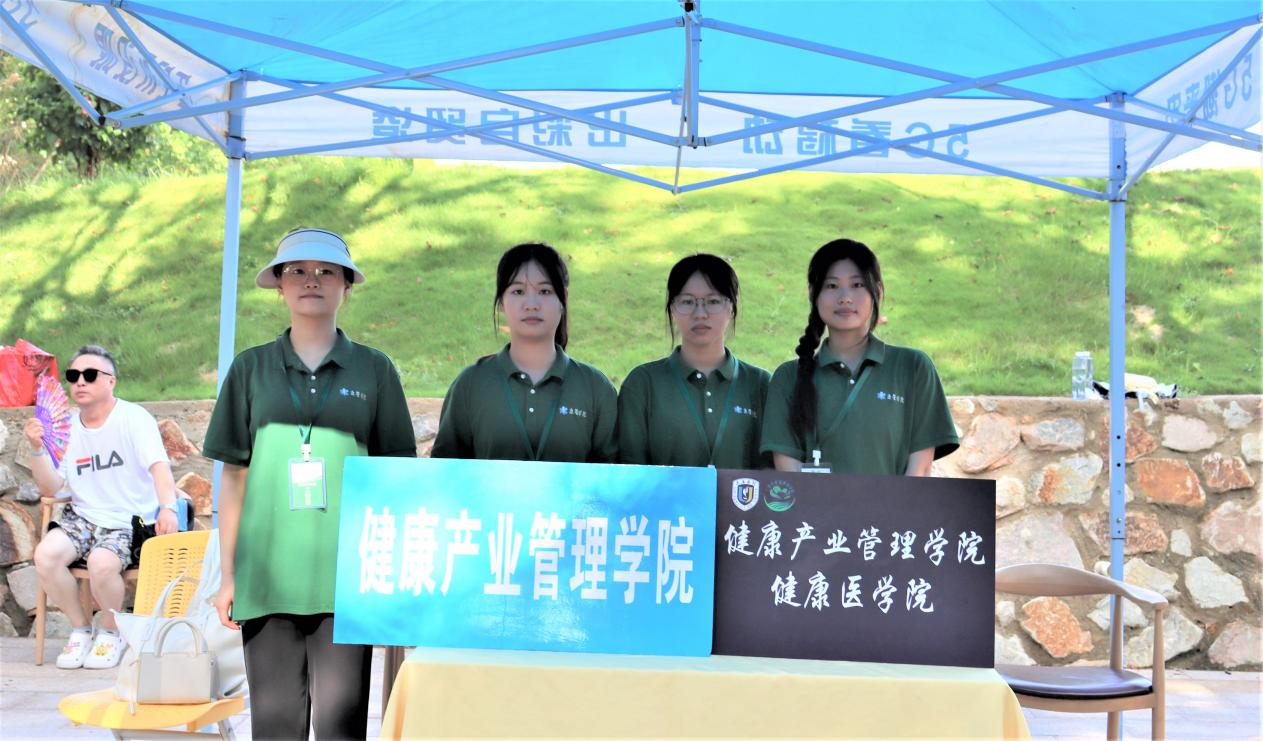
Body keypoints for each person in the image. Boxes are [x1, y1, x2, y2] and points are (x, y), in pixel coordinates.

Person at [202, 228, 416, 740]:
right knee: (275, 725)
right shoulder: (250, 368)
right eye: (297, 271)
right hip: (266, 578)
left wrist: (391, 576)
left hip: (348, 576)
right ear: (279, 285)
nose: (311, 280)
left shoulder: (375, 370)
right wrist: (229, 576)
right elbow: (234, 477)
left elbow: (394, 479)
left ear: (347, 285)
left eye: (326, 271)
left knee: (341, 724)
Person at [26, 345, 179, 670]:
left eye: (90, 374)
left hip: (129, 521)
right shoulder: (67, 427)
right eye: (73, 375)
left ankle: (111, 631)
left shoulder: (133, 418)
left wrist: (168, 508)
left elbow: (159, 468)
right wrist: (37, 449)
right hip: (82, 517)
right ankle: (81, 629)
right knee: (45, 556)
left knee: (101, 563)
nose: (80, 381)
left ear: (111, 381)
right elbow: (51, 488)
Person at [761, 238, 959, 476]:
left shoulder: (913, 367)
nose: (845, 297)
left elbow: (920, 469)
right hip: (812, 503)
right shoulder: (787, 378)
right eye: (832, 286)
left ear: (877, 291)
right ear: (813, 294)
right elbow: (788, 473)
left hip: (894, 502)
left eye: (857, 285)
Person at [431, 242, 617, 463]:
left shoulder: (596, 388)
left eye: (545, 291)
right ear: (502, 301)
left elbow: (615, 476)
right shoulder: (471, 384)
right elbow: (446, 472)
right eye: (518, 291)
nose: (531, 304)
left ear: (563, 299)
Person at [618, 254, 770, 469]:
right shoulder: (643, 384)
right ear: (672, 308)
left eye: (713, 301)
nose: (700, 314)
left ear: (731, 307)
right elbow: (629, 469)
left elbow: (774, 472)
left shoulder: (761, 384)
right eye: (687, 302)